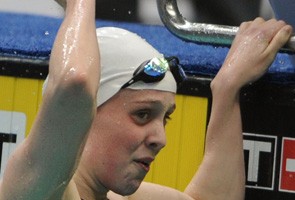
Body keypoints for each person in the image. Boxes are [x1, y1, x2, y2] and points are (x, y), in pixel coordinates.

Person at [0, 0, 292, 200]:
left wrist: (227, 88)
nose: (160, 138)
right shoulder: (34, 185)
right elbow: (74, 85)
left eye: (164, 118)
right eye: (141, 115)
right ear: (89, 111)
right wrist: (79, 3)